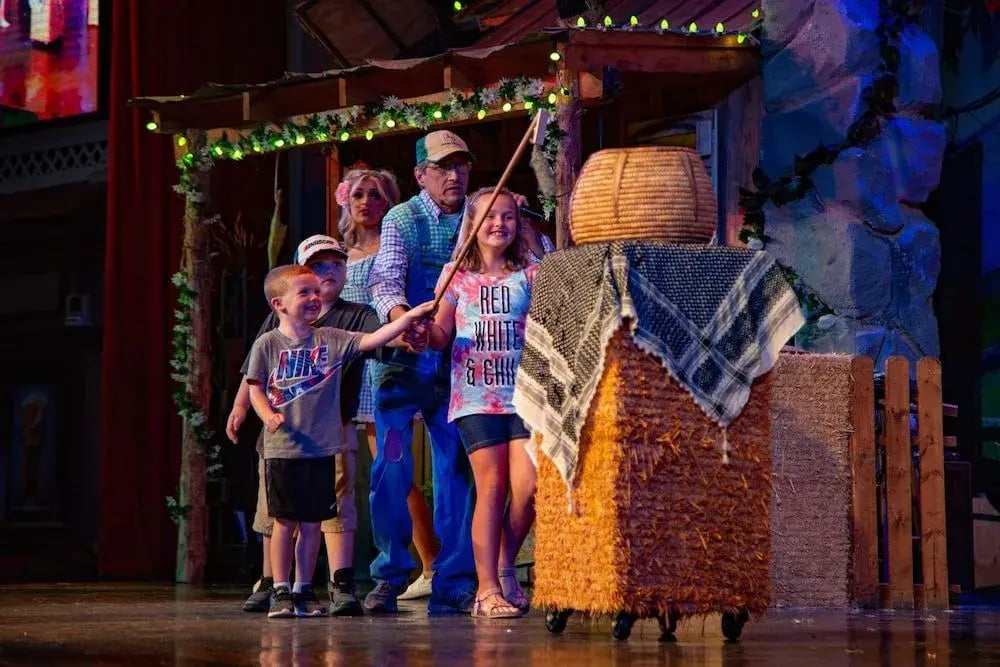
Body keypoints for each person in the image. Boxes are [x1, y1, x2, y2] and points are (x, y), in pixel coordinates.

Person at [245, 262, 434, 618]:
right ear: (279, 304)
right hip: (284, 449)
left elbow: (374, 339)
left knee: (314, 522)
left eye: (317, 291)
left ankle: (304, 588)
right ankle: (279, 589)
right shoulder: (268, 344)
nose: (315, 298)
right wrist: (267, 414)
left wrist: (408, 319)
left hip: (321, 447)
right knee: (285, 522)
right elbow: (254, 387)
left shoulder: (330, 339)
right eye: (305, 292)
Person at [227, 235, 383, 617]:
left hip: (330, 426)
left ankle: (332, 583)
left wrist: (411, 322)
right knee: (276, 509)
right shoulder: (279, 321)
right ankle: (272, 584)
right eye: (318, 266)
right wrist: (241, 407)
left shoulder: (353, 316)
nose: (327, 273)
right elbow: (256, 371)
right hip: (282, 433)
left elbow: (378, 340)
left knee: (331, 504)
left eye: (336, 265)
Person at [364, 130, 480, 615]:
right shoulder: (402, 218)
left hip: (455, 366)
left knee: (455, 470)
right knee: (392, 467)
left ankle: (453, 578)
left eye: (461, 165)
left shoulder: (480, 216)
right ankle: (389, 575)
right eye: (442, 167)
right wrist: (400, 320)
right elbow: (385, 278)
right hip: (402, 366)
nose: (454, 175)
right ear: (420, 175)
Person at [426, 187, 538, 618]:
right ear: (472, 225)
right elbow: (440, 334)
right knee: (491, 489)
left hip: (525, 395)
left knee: (529, 491)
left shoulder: (530, 273)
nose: (499, 224)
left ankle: (505, 562)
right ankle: (486, 589)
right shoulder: (456, 276)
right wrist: (420, 335)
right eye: (490, 216)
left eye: (508, 217)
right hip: (475, 396)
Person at [336, 168, 440, 600]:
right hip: (348, 365)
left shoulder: (393, 245)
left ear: (388, 201)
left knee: (394, 470)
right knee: (351, 475)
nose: (365, 202)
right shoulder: (339, 252)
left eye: (375, 195)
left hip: (383, 363)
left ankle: (430, 562)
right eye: (358, 194)